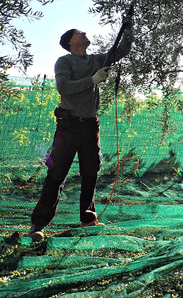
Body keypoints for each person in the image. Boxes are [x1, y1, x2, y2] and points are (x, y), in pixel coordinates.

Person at [29, 16, 133, 241]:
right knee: (56, 173)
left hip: (89, 126)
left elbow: (122, 50)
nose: (84, 33)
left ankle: (88, 219)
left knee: (90, 172)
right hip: (68, 126)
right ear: (70, 43)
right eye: (79, 32)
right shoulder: (64, 62)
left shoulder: (96, 59)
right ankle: (38, 224)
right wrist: (92, 81)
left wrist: (128, 27)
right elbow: (63, 88)